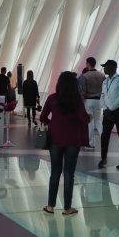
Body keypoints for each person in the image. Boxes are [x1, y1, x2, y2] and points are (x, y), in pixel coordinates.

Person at [40, 71, 90, 215]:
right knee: (69, 173)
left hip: (55, 140)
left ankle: (50, 206)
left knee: (55, 172)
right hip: (73, 141)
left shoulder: (52, 98)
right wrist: (90, 117)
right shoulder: (77, 100)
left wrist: (53, 124)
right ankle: (67, 208)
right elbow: (84, 119)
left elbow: (43, 117)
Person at [98, 60, 119, 170]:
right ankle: (103, 158)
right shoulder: (105, 81)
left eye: (106, 66)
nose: (104, 69)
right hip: (107, 112)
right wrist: (106, 109)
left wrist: (111, 108)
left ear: (113, 67)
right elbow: (102, 96)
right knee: (104, 135)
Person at [80, 57, 105, 148]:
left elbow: (83, 91)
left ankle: (90, 143)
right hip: (98, 101)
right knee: (98, 121)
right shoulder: (102, 75)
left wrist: (82, 104)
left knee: (90, 122)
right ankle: (105, 138)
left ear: (88, 64)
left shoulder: (85, 76)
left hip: (88, 101)